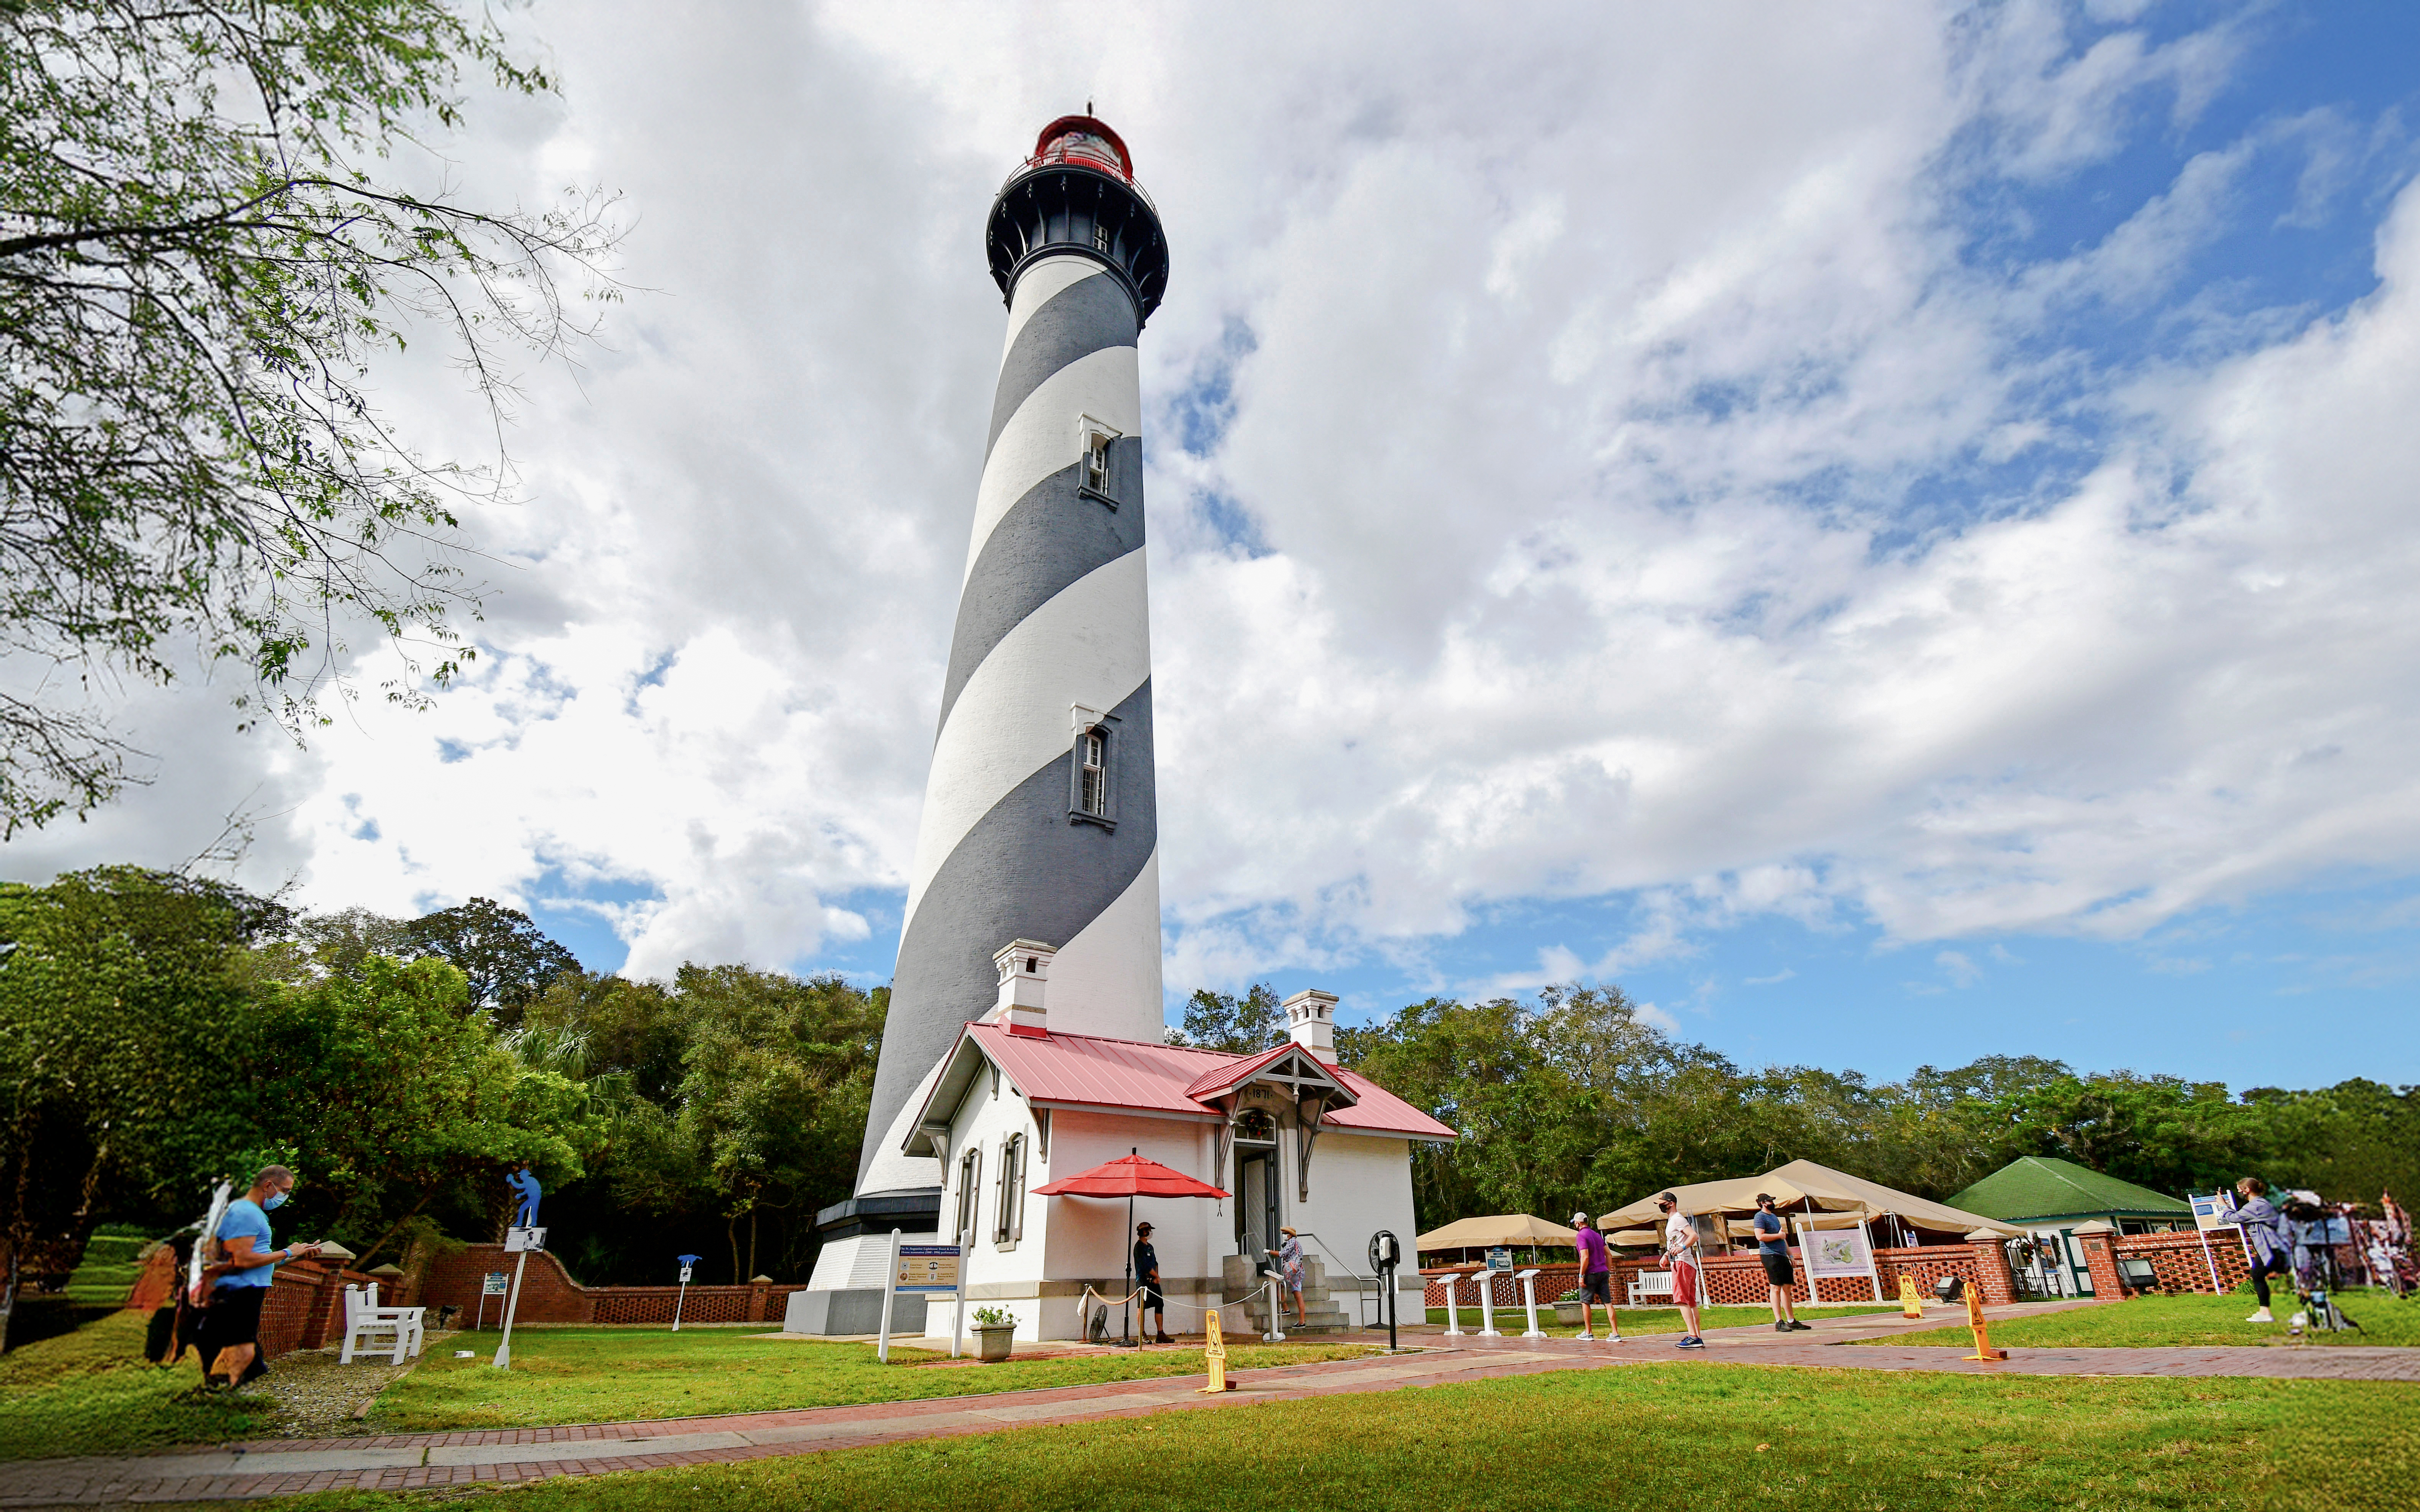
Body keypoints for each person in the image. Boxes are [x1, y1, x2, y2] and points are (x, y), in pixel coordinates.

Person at [197, 1165, 323, 1387]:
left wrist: (297, 1257)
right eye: (285, 1190)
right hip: (238, 1290)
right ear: (268, 1185)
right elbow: (242, 1259)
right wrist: (287, 1251)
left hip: (247, 1288)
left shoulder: (253, 1213)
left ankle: (221, 1384)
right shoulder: (246, 1212)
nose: (286, 1196)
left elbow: (259, 1259)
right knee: (240, 1344)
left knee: (239, 1343)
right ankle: (220, 1385)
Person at [2231, 1177, 2294, 1323]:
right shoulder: (2261, 1203)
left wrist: (2223, 1206)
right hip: (2275, 1246)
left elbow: (2235, 1218)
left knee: (2259, 1275)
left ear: (2247, 1190)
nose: (2239, 1192)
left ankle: (2266, 1312)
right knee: (2275, 1276)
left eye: (2240, 1189)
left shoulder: (2256, 1206)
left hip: (2272, 1247)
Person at [1751, 1194, 1810, 1332]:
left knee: (1787, 1287)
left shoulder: (1773, 1217)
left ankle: (1791, 1320)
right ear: (1762, 1203)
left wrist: (1790, 1255)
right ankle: (1779, 1321)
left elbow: (1783, 1237)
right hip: (1770, 1255)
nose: (1772, 1203)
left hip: (1782, 1255)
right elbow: (1760, 1236)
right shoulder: (1760, 1217)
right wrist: (1779, 1236)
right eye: (1769, 1201)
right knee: (1776, 1287)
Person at [1656, 1192, 1705, 1349]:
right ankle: (1696, 1335)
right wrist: (1666, 1254)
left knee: (1681, 1299)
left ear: (1671, 1203)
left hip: (1682, 1263)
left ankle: (1693, 1336)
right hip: (1684, 1262)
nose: (1660, 1206)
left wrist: (1682, 1248)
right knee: (1690, 1302)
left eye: (1662, 1203)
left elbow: (1693, 1236)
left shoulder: (1677, 1219)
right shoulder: (1673, 1220)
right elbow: (1675, 1242)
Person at [1570, 1211, 1623, 1342]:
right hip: (1603, 1272)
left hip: (1591, 1273)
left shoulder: (1581, 1236)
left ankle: (1588, 1333)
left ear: (1578, 1223)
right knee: (1608, 1303)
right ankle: (1615, 1333)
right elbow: (1609, 1255)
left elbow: (1585, 1257)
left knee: (1585, 1302)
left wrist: (1581, 1275)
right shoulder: (1597, 1235)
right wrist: (1607, 1271)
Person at [1133, 1221, 1174, 1344]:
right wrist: (1155, 1275)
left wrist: (1157, 1277)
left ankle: (1161, 1334)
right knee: (1142, 1306)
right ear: (1145, 1232)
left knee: (1159, 1304)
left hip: (1153, 1281)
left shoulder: (1150, 1247)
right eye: (1150, 1231)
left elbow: (1155, 1263)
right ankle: (1142, 1334)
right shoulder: (1139, 1247)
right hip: (1143, 1280)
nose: (1151, 1233)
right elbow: (1145, 1266)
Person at [1265, 1226, 1307, 1328]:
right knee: (1280, 1285)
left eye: (1285, 1233)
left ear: (1290, 1234)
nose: (1284, 1235)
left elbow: (1283, 1254)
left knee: (1297, 1295)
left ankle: (1301, 1321)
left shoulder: (1293, 1242)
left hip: (1294, 1274)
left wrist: (1270, 1252)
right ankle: (1285, 1308)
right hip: (1294, 1272)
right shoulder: (1294, 1243)